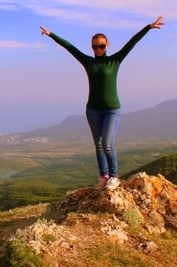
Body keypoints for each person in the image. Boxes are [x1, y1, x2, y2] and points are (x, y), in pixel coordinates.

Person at [39, 16, 164, 190]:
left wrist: (148, 27)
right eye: (95, 46)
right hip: (92, 110)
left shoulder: (115, 60)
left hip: (112, 110)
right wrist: (51, 34)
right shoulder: (88, 62)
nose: (98, 49)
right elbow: (69, 47)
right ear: (92, 47)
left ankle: (114, 176)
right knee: (98, 145)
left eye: (101, 46)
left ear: (107, 45)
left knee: (107, 143)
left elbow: (131, 43)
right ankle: (103, 176)